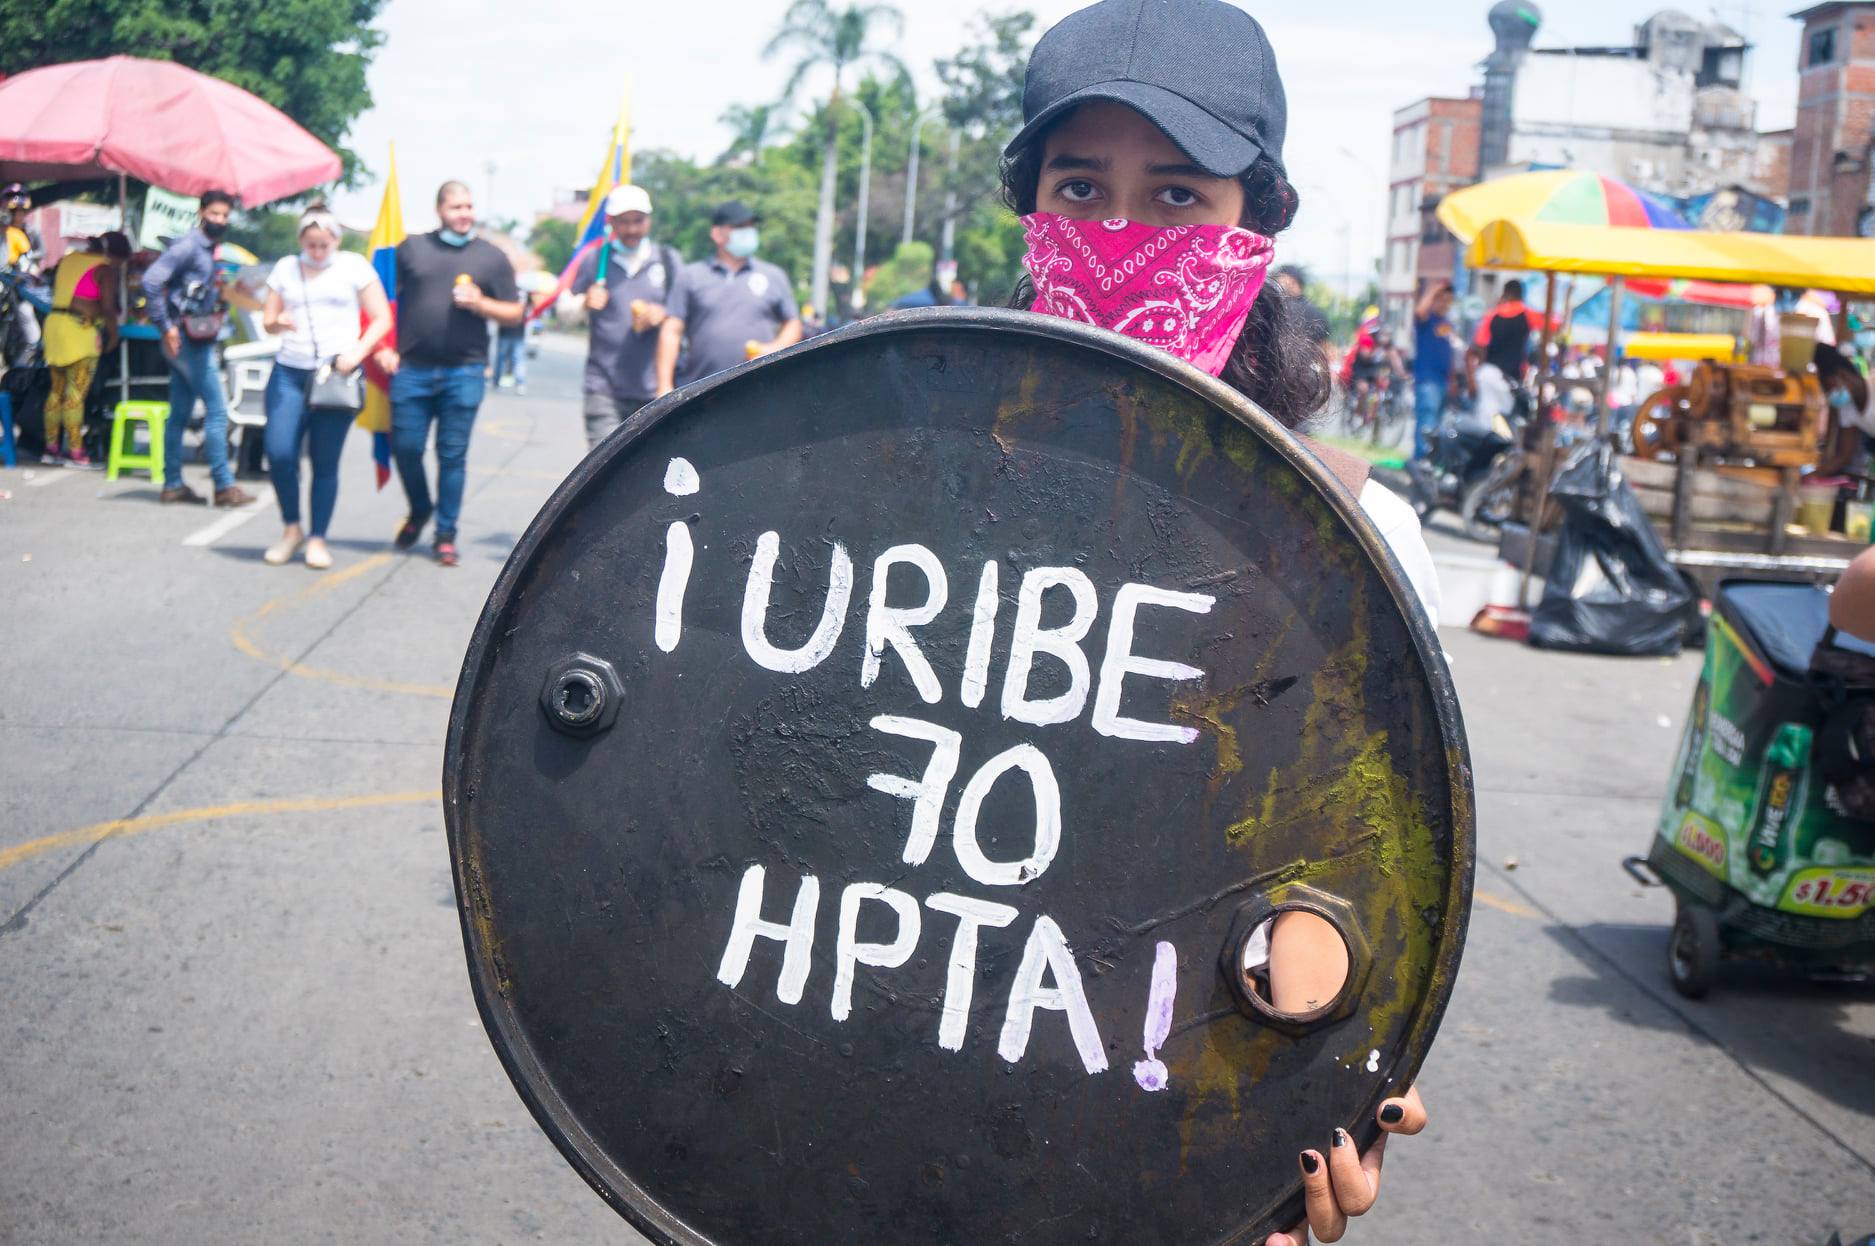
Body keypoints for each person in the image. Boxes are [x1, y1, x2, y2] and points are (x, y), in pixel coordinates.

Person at [998, 3, 1430, 1240]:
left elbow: (1342, 877)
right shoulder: (910, 480)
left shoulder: (1347, 543)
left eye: (1178, 194)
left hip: (1147, 1125)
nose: (1121, 232)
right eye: (1081, 186)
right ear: (1029, 208)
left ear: (1260, 222)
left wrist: (1291, 1121)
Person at [379, 181, 523, 567]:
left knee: (452, 455)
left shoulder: (491, 257)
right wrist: (383, 346)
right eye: (456, 207)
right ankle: (420, 507)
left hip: (465, 371)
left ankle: (445, 534)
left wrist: (481, 302)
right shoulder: (411, 248)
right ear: (439, 210)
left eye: (469, 206)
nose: (465, 214)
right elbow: (382, 300)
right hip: (411, 370)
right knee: (406, 448)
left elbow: (515, 313)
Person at [258, 207, 394, 570]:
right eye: (311, 244)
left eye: (324, 244)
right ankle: (292, 528)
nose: (318, 251)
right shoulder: (286, 268)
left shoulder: (353, 267)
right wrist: (278, 322)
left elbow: (382, 318)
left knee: (325, 459)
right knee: (279, 452)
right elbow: (268, 321)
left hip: (336, 374)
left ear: (336, 239)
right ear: (301, 240)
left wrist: (357, 352)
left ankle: (318, 537)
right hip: (290, 371)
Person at [140, 189, 254, 507]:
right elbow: (151, 281)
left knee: (179, 414)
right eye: (214, 213)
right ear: (201, 212)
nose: (220, 220)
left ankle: (173, 484)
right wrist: (166, 327)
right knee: (217, 412)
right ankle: (223, 485)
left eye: (225, 215)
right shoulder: (188, 246)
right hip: (187, 341)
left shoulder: (210, 251)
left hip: (192, 338)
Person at [571, 183, 684, 447]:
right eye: (624, 222)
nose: (632, 229)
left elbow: (685, 314)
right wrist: (585, 302)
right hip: (604, 387)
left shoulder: (668, 261)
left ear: (649, 220)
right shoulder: (595, 260)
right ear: (611, 222)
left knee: (650, 464)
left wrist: (664, 313)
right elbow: (564, 312)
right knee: (603, 462)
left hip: (655, 389)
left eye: (638, 221)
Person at [656, 200, 802, 394]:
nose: (748, 232)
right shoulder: (690, 276)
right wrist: (664, 385)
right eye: (739, 227)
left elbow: (793, 323)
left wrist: (774, 348)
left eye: (751, 227)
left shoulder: (773, 276)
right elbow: (672, 330)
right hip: (702, 391)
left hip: (761, 388)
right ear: (717, 234)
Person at [39, 231, 130, 467]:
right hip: (79, 332)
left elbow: (70, 295)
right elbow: (108, 308)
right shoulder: (105, 269)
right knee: (75, 395)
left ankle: (51, 448)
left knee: (56, 392)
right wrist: (114, 335)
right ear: (116, 256)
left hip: (54, 326)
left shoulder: (70, 259)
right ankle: (76, 452)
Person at [1411, 282, 1458, 461]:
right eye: (1442, 300)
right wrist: (1433, 290)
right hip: (1428, 380)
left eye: (1449, 300)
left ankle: (1430, 461)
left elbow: (1449, 352)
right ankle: (1421, 460)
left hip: (1443, 381)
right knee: (1427, 422)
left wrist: (1452, 380)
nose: (1445, 304)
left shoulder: (1446, 324)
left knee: (1437, 426)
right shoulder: (1427, 319)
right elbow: (1419, 311)